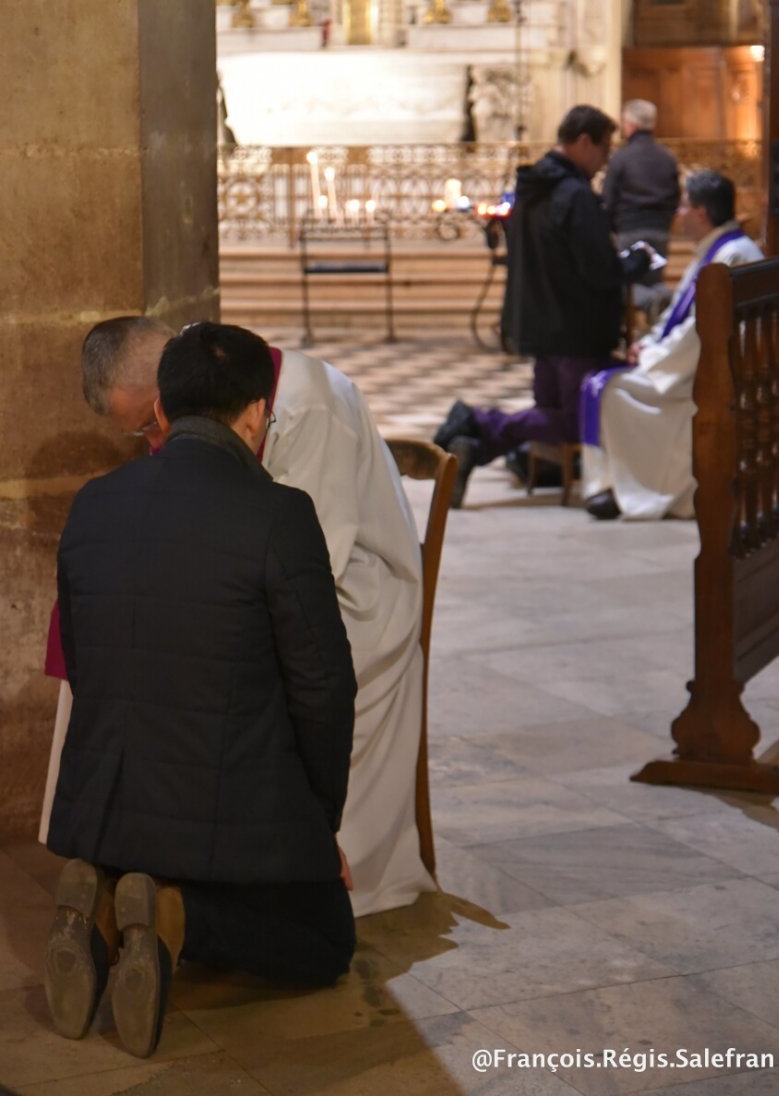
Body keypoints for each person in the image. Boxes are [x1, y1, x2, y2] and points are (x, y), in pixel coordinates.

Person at [40, 319, 432, 918]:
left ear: (170, 392)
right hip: (261, 574)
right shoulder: (215, 387)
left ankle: (202, 869)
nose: (151, 445)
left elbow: (307, 568)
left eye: (149, 425)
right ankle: (140, 857)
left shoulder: (307, 410)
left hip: (357, 594)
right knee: (131, 647)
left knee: (207, 663)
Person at [44, 323, 357, 1058]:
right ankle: (175, 919)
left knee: (167, 847)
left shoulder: (94, 502)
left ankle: (102, 908)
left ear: (165, 404)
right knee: (323, 938)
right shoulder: (279, 514)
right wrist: (319, 823)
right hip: (224, 812)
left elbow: (86, 664)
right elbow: (323, 687)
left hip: (106, 810)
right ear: (253, 413)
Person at [434, 104, 651, 507]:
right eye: (604, 149)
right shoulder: (573, 195)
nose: (606, 160)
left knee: (552, 411)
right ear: (583, 142)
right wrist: (635, 263)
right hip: (573, 326)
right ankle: (478, 423)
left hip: (537, 321)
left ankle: (472, 449)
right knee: (573, 419)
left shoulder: (530, 190)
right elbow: (598, 270)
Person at [581, 170, 764, 521]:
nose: (678, 213)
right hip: (688, 362)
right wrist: (648, 345)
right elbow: (675, 319)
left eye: (683, 206)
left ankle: (646, 489)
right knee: (600, 383)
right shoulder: (713, 252)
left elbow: (703, 330)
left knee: (610, 390)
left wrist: (652, 356)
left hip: (711, 373)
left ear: (702, 213)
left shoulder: (733, 255)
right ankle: (615, 486)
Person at [601, 99, 681, 324]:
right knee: (655, 279)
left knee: (626, 284)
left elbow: (608, 198)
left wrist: (610, 229)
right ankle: (661, 305)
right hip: (660, 231)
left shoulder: (621, 158)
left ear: (629, 125)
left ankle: (653, 302)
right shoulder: (667, 157)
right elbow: (676, 195)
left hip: (629, 230)